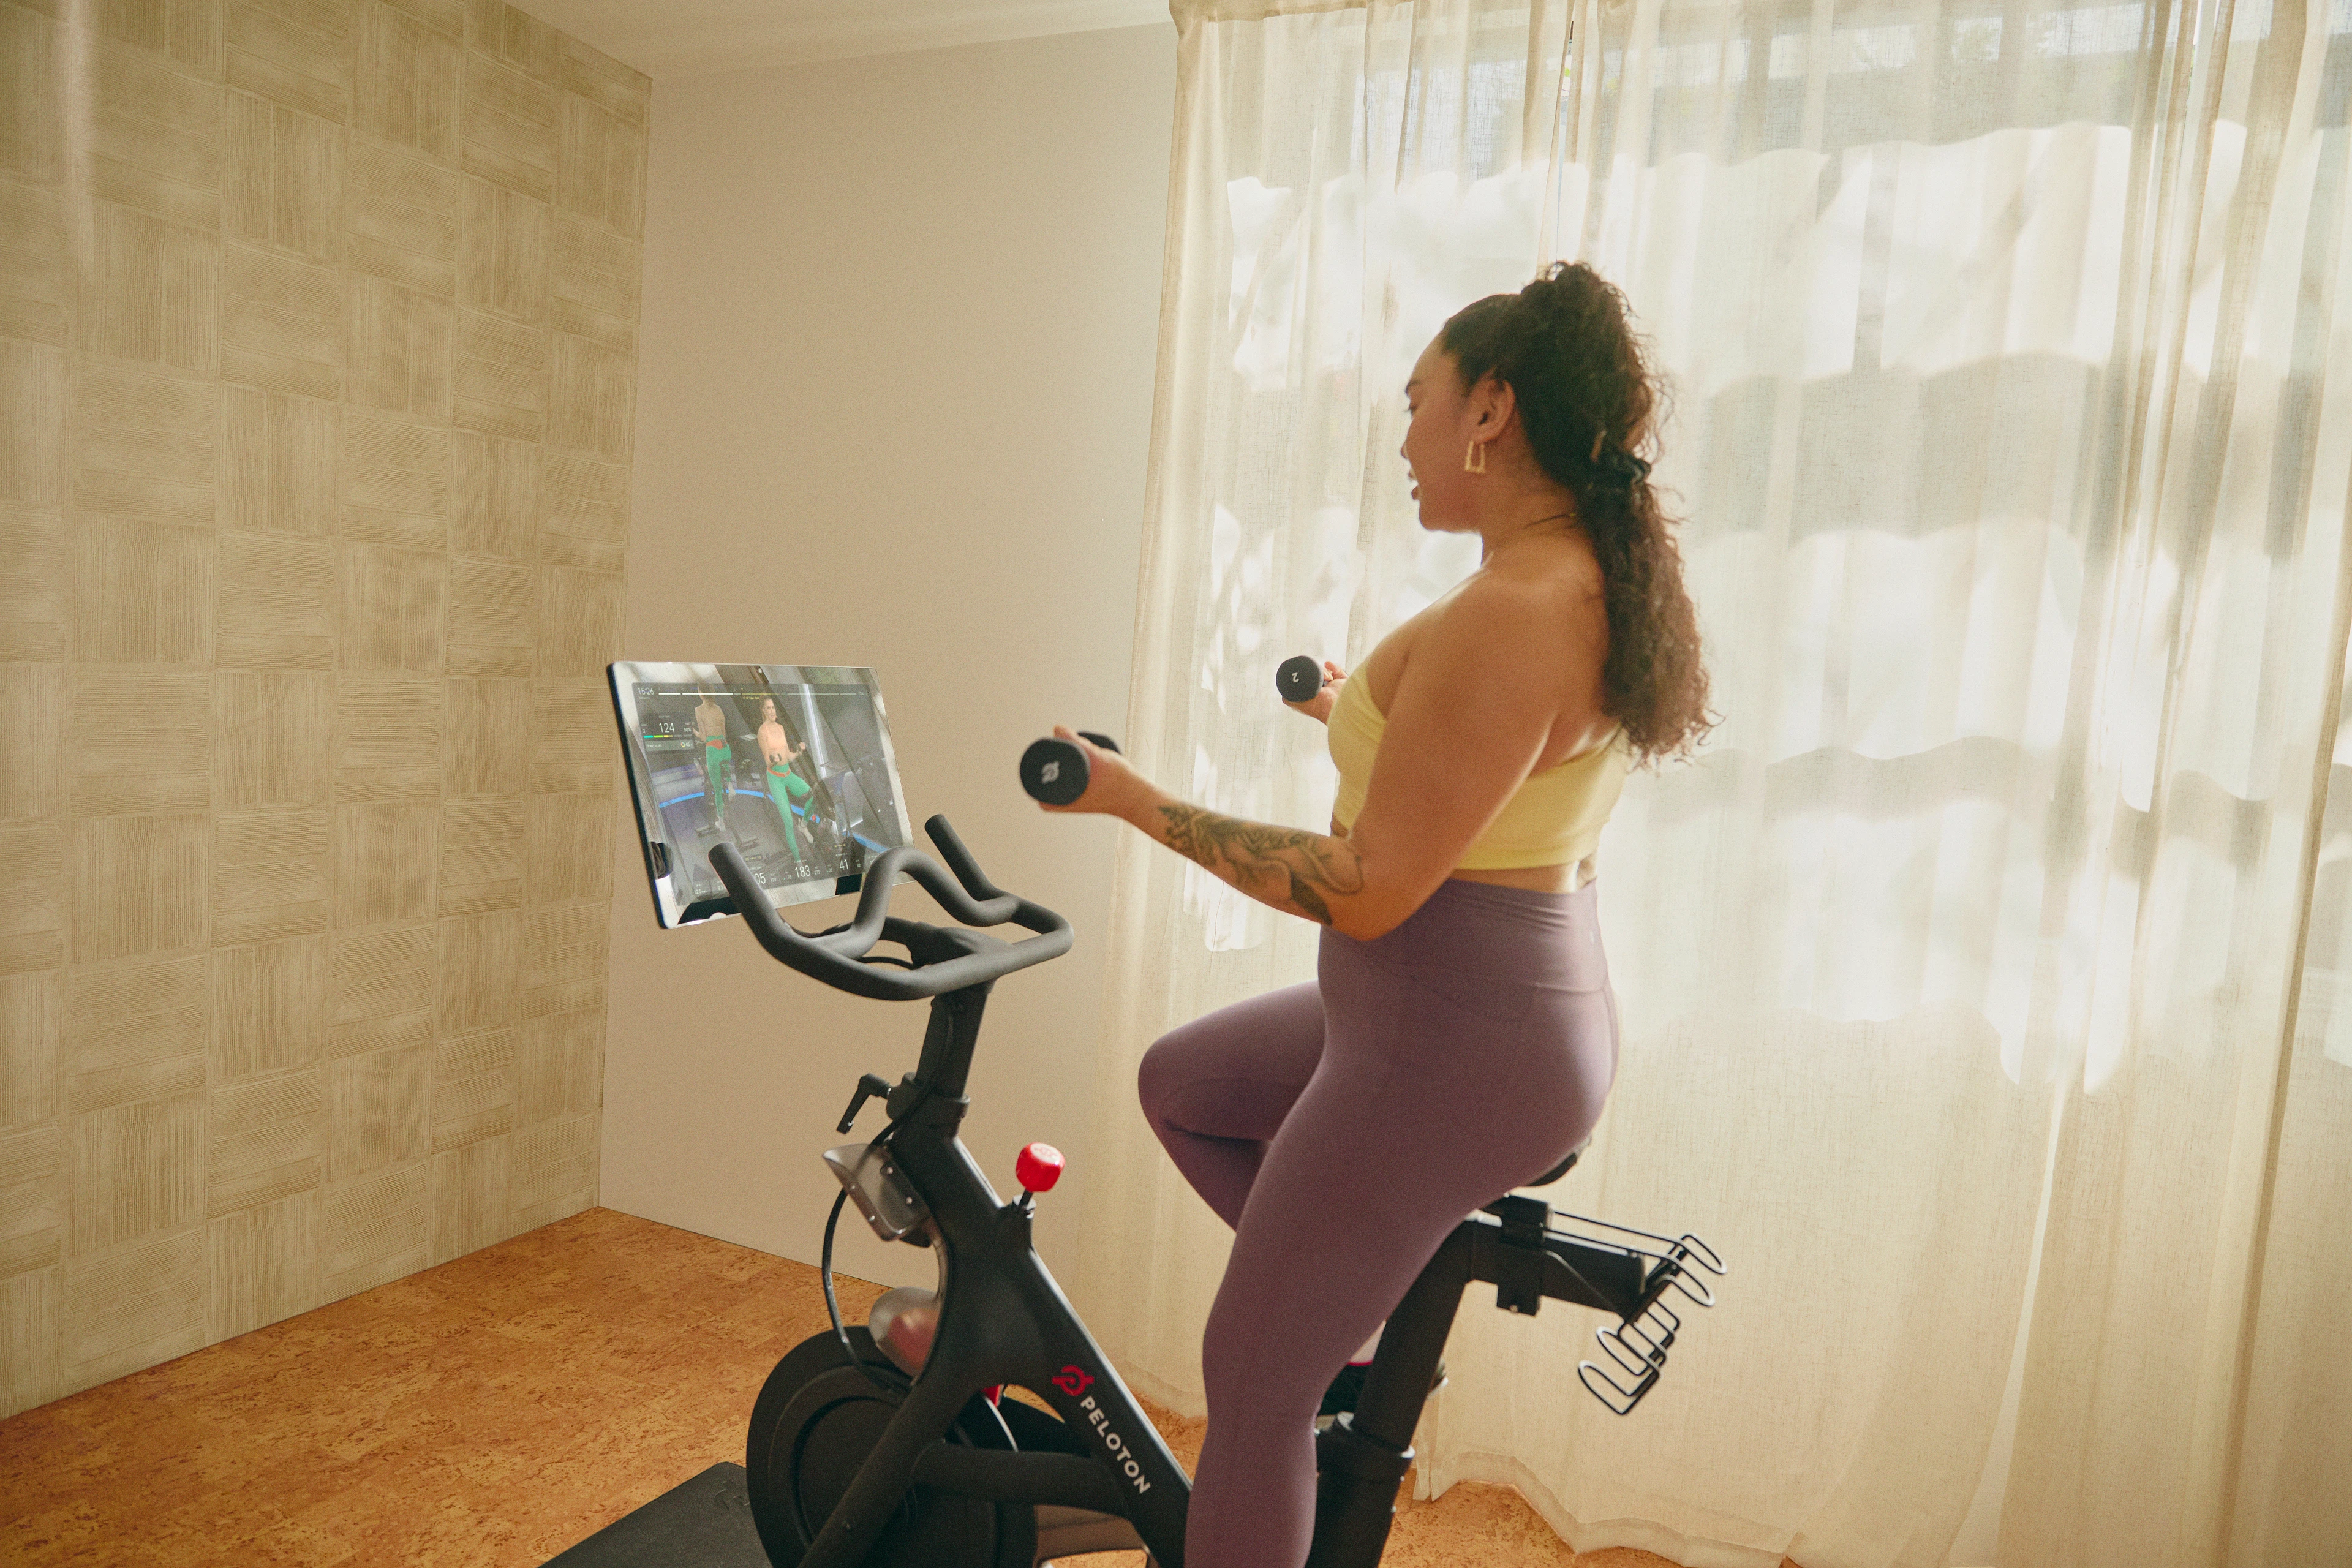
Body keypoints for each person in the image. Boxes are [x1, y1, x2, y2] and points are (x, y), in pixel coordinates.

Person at [1039, 261, 1713, 1568]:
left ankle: (1316, 1330)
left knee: (1251, 1376)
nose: (1403, 440)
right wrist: (1349, 713)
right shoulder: (1561, 577)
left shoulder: (1517, 610)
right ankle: (1347, 1310)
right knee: (1185, 1085)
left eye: (1416, 403)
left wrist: (1133, 800)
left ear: (1490, 410)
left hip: (1452, 1040)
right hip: (1456, 1014)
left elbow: (1369, 889)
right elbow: (1487, 789)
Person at [757, 695, 818, 864]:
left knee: (814, 796)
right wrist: (774, 761)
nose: (772, 711)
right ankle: (799, 863)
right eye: (768, 708)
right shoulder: (763, 731)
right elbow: (767, 762)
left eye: (773, 707)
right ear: (763, 710)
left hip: (788, 774)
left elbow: (788, 757)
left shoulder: (781, 728)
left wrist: (798, 752)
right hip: (775, 778)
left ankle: (803, 825)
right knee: (788, 822)